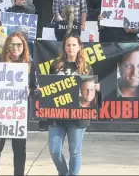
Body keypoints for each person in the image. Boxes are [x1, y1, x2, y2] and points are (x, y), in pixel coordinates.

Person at [45, 33, 100, 175]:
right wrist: (43, 89)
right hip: (58, 115)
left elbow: (89, 86)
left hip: (78, 116)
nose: (71, 47)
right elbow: (50, 88)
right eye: (68, 45)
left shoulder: (86, 67)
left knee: (75, 151)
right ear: (64, 47)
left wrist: (96, 88)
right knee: (54, 150)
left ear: (80, 46)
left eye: (74, 44)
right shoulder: (55, 66)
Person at [0, 32, 36, 176]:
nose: (16, 47)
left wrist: (30, 91)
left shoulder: (30, 65)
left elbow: (34, 88)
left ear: (24, 46)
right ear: (7, 45)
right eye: (12, 44)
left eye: (19, 44)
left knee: (19, 149)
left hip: (19, 113)